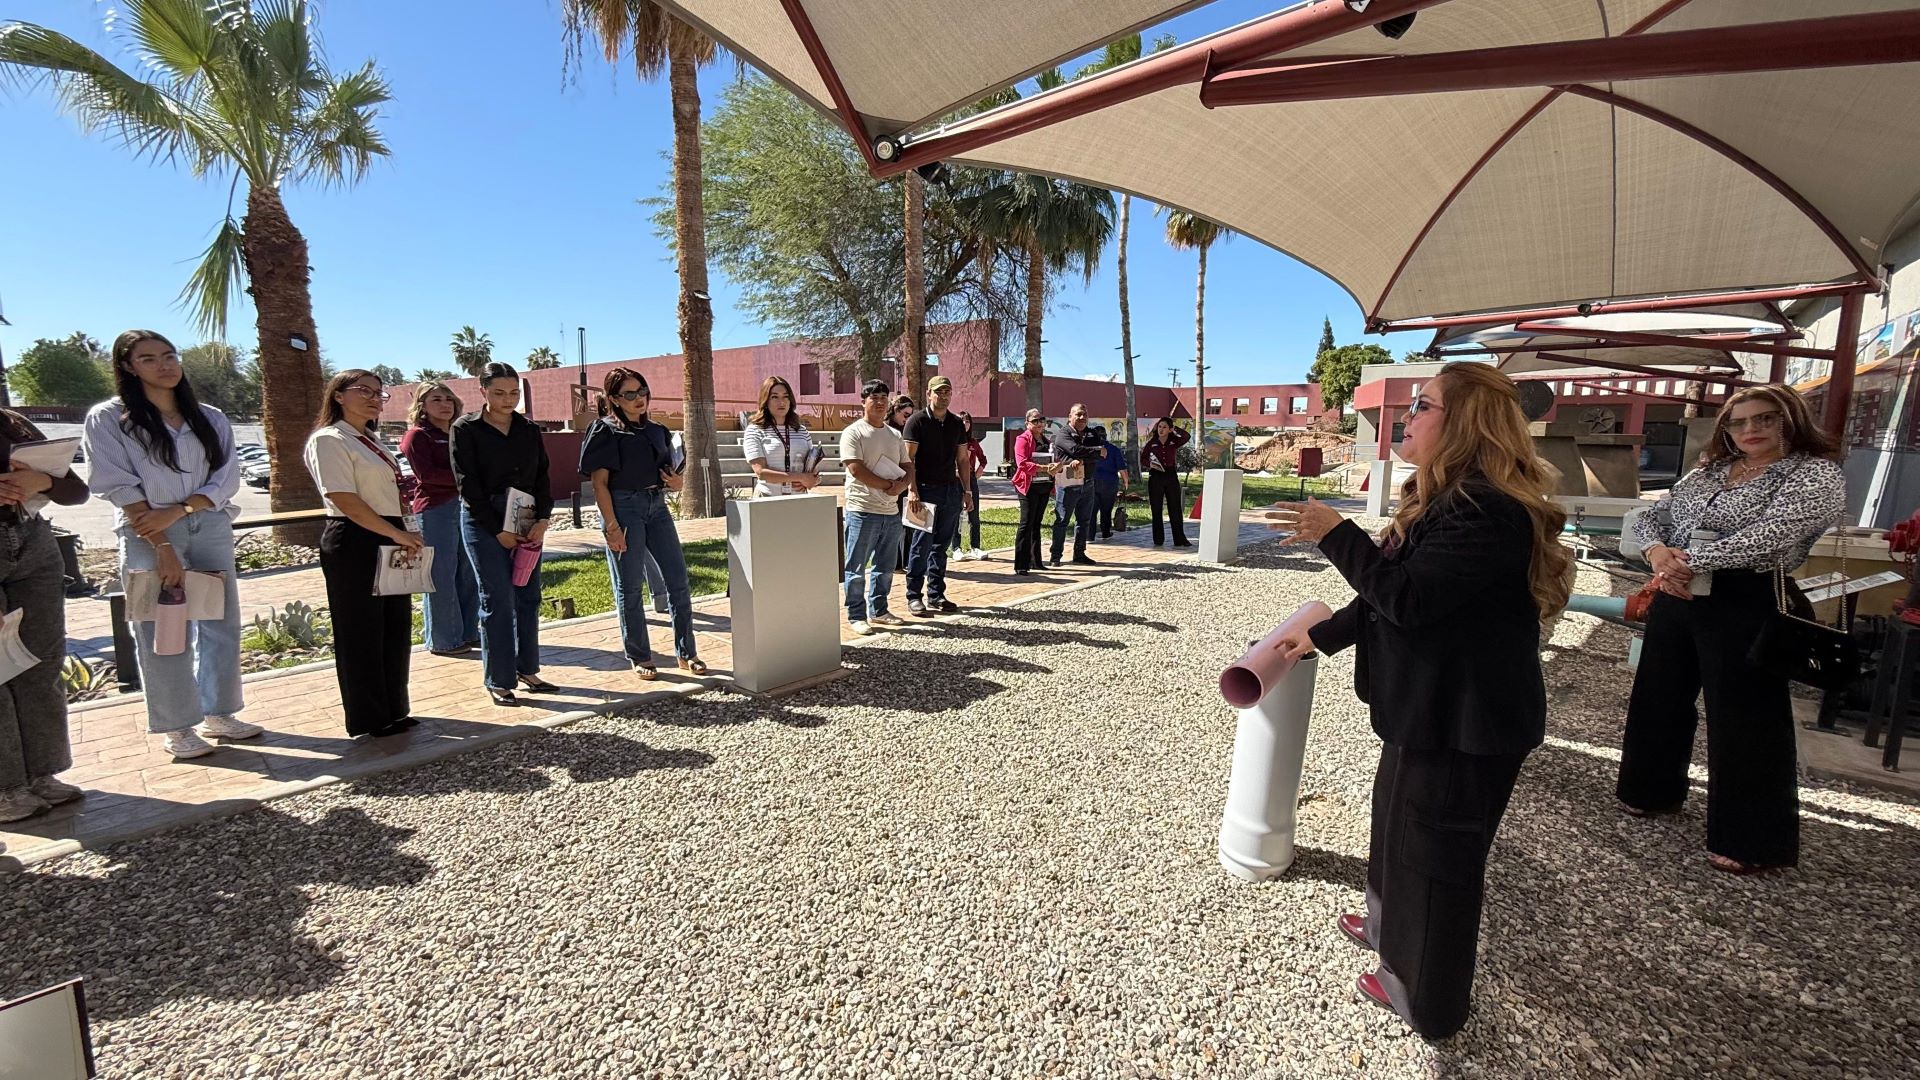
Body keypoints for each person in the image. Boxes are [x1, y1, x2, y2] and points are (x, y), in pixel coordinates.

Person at [1266, 362, 1572, 1039]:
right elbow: (1388, 596)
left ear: (1462, 423)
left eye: (1424, 405)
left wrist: (1334, 534)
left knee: (1437, 865)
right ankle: (1385, 927)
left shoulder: (1485, 509)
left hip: (1468, 724)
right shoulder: (1444, 498)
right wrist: (1321, 636)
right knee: (1397, 834)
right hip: (1428, 712)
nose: (1408, 415)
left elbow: (1407, 600)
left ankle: (1424, 996)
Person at [1619, 384, 1845, 875]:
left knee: (1746, 718)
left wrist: (1686, 563)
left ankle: (1752, 840)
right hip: (1677, 595)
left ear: (1791, 420)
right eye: (1739, 422)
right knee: (1659, 697)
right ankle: (1649, 791)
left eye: (1764, 419)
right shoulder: (1709, 471)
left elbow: (1770, 536)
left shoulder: (1815, 475)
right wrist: (1658, 554)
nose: (1750, 431)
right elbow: (1647, 515)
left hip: (1747, 599)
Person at [83, 330, 259, 761]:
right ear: (128, 366)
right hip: (148, 532)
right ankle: (178, 726)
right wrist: (162, 541)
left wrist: (181, 509)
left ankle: (220, 712)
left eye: (169, 355)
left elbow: (226, 478)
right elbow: (116, 484)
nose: (164, 365)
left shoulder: (210, 417)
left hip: (207, 525)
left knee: (220, 623)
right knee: (164, 630)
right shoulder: (109, 418)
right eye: (148, 359)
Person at [304, 370, 426, 738]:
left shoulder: (370, 439)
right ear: (338, 395)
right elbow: (342, 497)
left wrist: (404, 532)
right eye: (364, 391)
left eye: (379, 393)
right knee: (361, 631)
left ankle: (394, 708)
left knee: (393, 626)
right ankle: (369, 716)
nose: (374, 398)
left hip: (388, 533)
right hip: (356, 537)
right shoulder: (329, 439)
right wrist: (393, 533)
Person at [582, 367, 704, 679]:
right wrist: (611, 526)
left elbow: (669, 473)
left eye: (642, 391)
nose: (639, 399)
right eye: (630, 394)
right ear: (614, 399)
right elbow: (599, 485)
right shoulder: (604, 430)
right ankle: (640, 655)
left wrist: (676, 483)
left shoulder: (657, 430)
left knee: (678, 580)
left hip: (657, 507)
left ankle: (686, 652)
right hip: (623, 508)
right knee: (631, 587)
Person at [0, 406, 90, 821]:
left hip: (32, 545)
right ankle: (6, 788)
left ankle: (42, 774)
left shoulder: (13, 423)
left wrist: (43, 480)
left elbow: (77, 492)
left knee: (40, 663)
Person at [451, 363, 554, 707]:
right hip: (484, 520)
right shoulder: (465, 429)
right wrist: (497, 530)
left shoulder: (528, 428)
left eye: (513, 393)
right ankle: (499, 678)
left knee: (528, 595)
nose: (507, 399)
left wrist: (542, 519)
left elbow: (542, 476)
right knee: (496, 598)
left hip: (525, 516)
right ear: (482, 392)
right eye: (498, 393)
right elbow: (468, 485)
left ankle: (528, 669)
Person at [399, 382, 480, 656]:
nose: (444, 404)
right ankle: (445, 640)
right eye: (436, 399)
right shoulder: (418, 436)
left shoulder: (463, 432)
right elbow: (427, 475)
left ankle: (469, 632)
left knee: (468, 573)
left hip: (466, 507)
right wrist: (468, 481)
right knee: (440, 576)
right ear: (422, 405)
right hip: (435, 510)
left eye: (449, 399)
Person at [840, 380, 912, 635]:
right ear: (863, 401)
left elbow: (908, 464)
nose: (880, 402)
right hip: (862, 511)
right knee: (856, 567)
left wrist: (901, 486)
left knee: (885, 566)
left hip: (890, 511)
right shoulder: (854, 433)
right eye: (874, 397)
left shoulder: (894, 434)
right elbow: (856, 469)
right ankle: (856, 614)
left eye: (884, 397)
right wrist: (887, 484)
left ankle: (879, 610)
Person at [902, 376, 973, 617]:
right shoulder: (916, 421)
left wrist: (967, 490)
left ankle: (936, 594)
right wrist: (912, 490)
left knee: (940, 547)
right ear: (929, 393)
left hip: (950, 492)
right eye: (939, 391)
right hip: (923, 491)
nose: (944, 396)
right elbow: (908, 460)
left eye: (948, 392)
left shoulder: (956, 424)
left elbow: (963, 459)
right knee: (920, 545)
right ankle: (914, 596)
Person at [741, 375, 820, 498]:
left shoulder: (801, 431)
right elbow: (761, 472)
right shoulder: (754, 430)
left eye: (785, 397)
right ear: (765, 401)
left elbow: (812, 468)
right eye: (774, 397)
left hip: (798, 499)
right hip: (767, 498)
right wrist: (801, 477)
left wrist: (814, 480)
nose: (781, 402)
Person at [1049, 403, 1107, 567]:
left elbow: (1100, 453)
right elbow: (1076, 450)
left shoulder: (1092, 433)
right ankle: (1055, 556)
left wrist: (1085, 455)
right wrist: (1090, 453)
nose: (1082, 418)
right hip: (1068, 485)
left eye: (1085, 415)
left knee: (1084, 521)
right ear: (1070, 416)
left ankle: (1079, 554)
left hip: (1088, 483)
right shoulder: (1062, 434)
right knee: (1062, 521)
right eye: (1078, 414)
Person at [1011, 409, 1061, 575]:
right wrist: (1044, 468)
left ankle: (1036, 561)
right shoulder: (1022, 439)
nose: (1039, 423)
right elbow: (1022, 464)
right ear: (1027, 423)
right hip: (1028, 487)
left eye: (1041, 419)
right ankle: (1021, 564)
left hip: (1044, 486)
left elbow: (1055, 461)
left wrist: (1057, 467)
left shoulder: (1047, 441)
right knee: (1026, 524)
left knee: (1036, 524)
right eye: (1035, 420)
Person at [1141, 416, 1192, 547]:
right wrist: (1150, 464)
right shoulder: (1151, 443)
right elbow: (1143, 458)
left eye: (1164, 427)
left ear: (1169, 429)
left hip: (1170, 475)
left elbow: (1186, 436)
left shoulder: (1174, 442)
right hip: (1156, 476)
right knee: (1156, 508)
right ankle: (1158, 539)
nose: (1161, 429)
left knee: (1175, 507)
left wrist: (1175, 429)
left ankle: (1179, 539)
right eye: (1159, 427)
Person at [888, 394, 915, 574]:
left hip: (905, 480)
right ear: (896, 410)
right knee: (894, 524)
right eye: (905, 415)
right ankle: (895, 563)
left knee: (908, 523)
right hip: (890, 480)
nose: (907, 420)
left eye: (910, 416)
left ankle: (906, 561)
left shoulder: (907, 430)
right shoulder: (888, 430)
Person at [1091, 423, 1130, 540]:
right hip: (1109, 483)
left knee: (1091, 510)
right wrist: (1126, 483)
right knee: (1106, 510)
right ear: (1106, 436)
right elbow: (1122, 469)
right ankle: (1105, 532)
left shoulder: (1090, 449)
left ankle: (1089, 534)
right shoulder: (1113, 449)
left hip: (1092, 482)